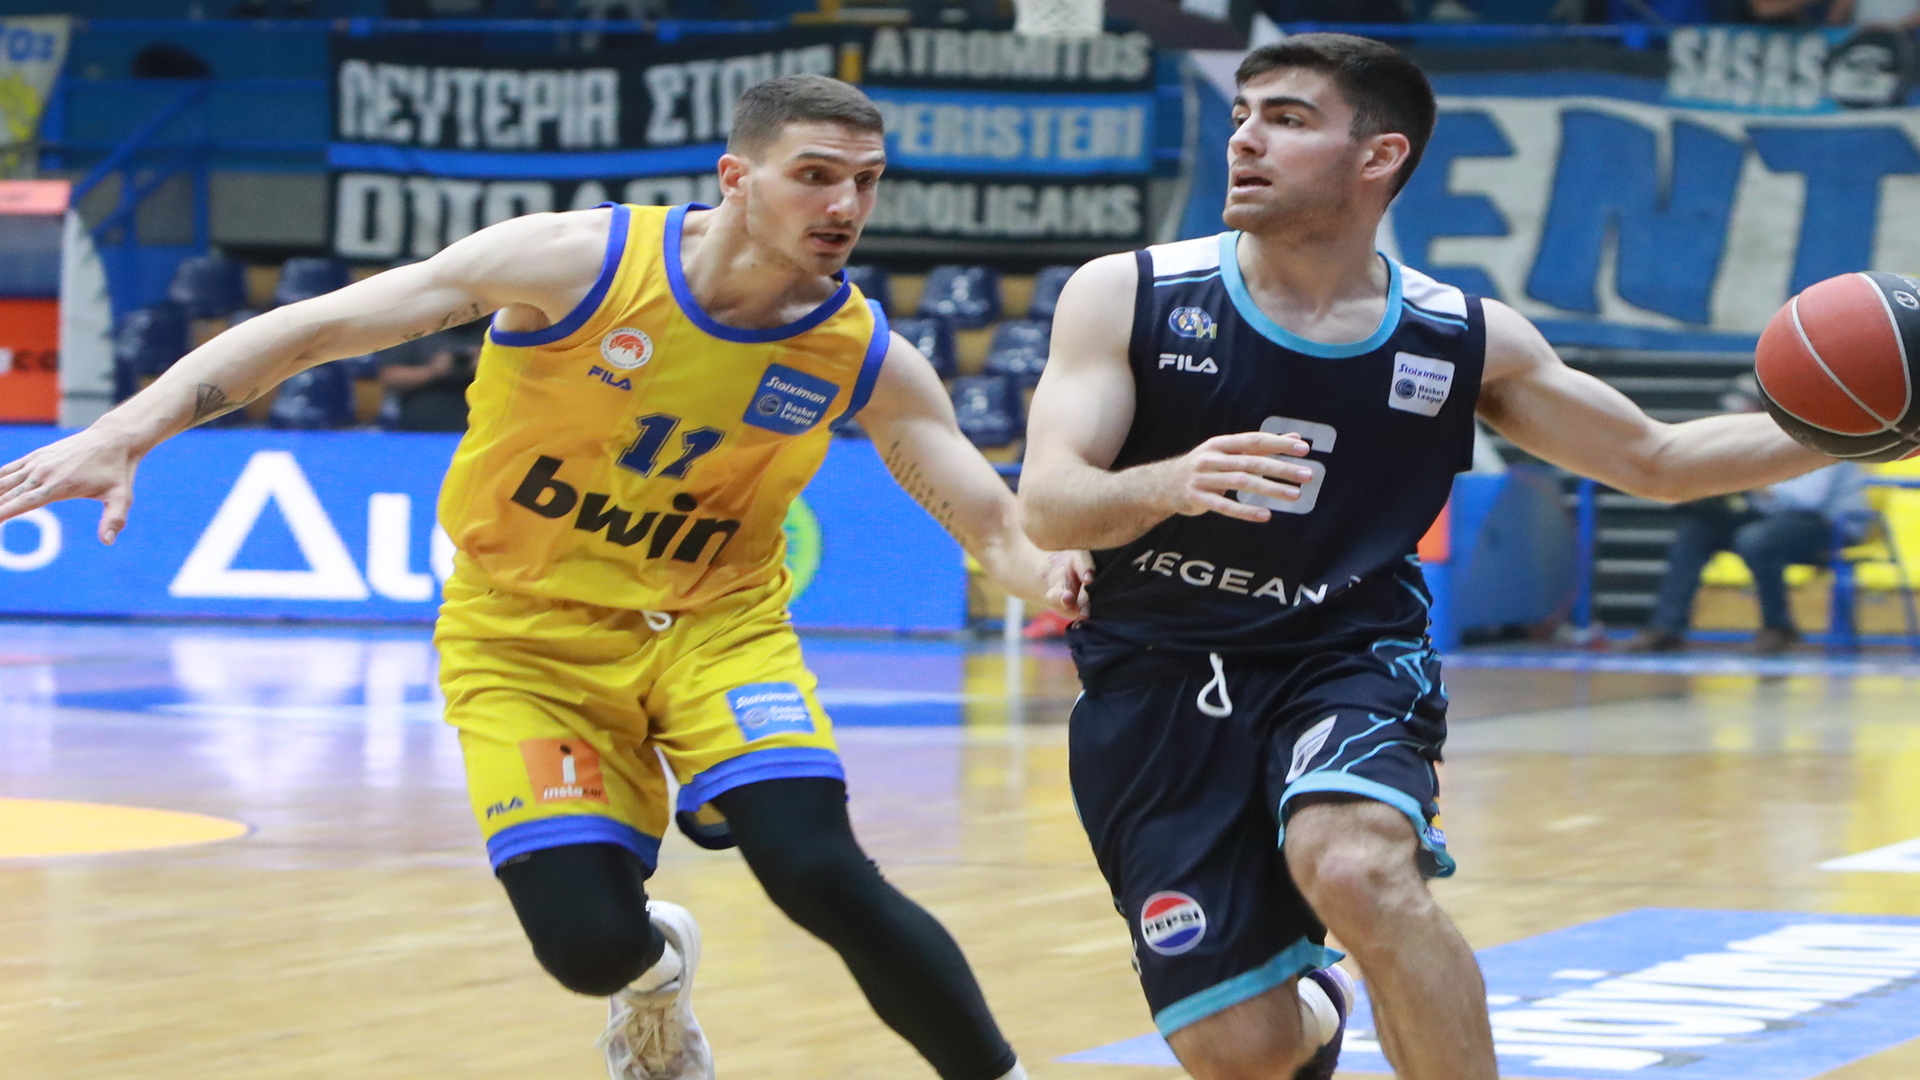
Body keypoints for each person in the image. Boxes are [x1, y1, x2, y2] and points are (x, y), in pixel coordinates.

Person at [0, 75, 1080, 1080]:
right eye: (815, 175)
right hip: (522, 638)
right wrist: (128, 430)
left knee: (818, 870)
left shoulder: (860, 351)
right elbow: (319, 327)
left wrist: (1051, 575)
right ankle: (652, 976)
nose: (845, 205)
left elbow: (988, 520)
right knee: (586, 947)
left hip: (716, 632)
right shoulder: (578, 263)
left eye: (866, 181)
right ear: (736, 178)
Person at [1019, 34, 1830, 1080]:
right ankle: (1319, 1000)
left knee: (1356, 867)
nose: (1245, 139)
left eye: (1288, 119)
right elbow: (1050, 504)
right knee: (1242, 1050)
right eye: (1244, 115)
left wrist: (1869, 429)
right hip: (1157, 677)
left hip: (1344, 652)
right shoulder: (1127, 292)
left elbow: (1658, 461)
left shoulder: (1457, 335)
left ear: (1379, 156)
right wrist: (1167, 483)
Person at [1632, 446, 1869, 654]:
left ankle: (1778, 627)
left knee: (1756, 540)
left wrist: (1742, 480)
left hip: (1831, 526)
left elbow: (1805, 500)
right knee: (1699, 529)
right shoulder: (1773, 436)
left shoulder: (1824, 439)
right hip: (1774, 519)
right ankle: (1667, 628)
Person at [376, 317, 483, 432]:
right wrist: (433, 371)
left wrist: (484, 367)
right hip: (418, 429)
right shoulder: (416, 327)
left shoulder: (492, 327)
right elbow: (388, 377)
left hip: (479, 426)